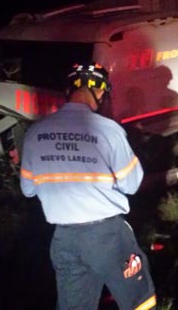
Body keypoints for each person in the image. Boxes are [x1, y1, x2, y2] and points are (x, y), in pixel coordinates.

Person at [20, 62, 157, 310]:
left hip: (64, 239)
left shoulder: (35, 133)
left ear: (68, 91)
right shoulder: (108, 130)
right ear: (101, 92)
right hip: (107, 236)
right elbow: (132, 184)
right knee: (140, 302)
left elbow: (28, 189)